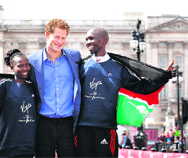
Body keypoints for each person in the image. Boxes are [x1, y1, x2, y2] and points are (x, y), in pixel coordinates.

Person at [76, 28, 177, 157]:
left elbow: (143, 87)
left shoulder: (118, 68)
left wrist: (164, 76)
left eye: (91, 38)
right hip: (81, 128)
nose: (88, 42)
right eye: (86, 39)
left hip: (106, 128)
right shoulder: (81, 66)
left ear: (104, 41)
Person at [28, 19, 81, 158]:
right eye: (57, 36)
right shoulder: (32, 61)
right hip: (43, 123)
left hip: (68, 124)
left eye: (63, 38)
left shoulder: (75, 57)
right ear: (47, 34)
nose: (60, 41)